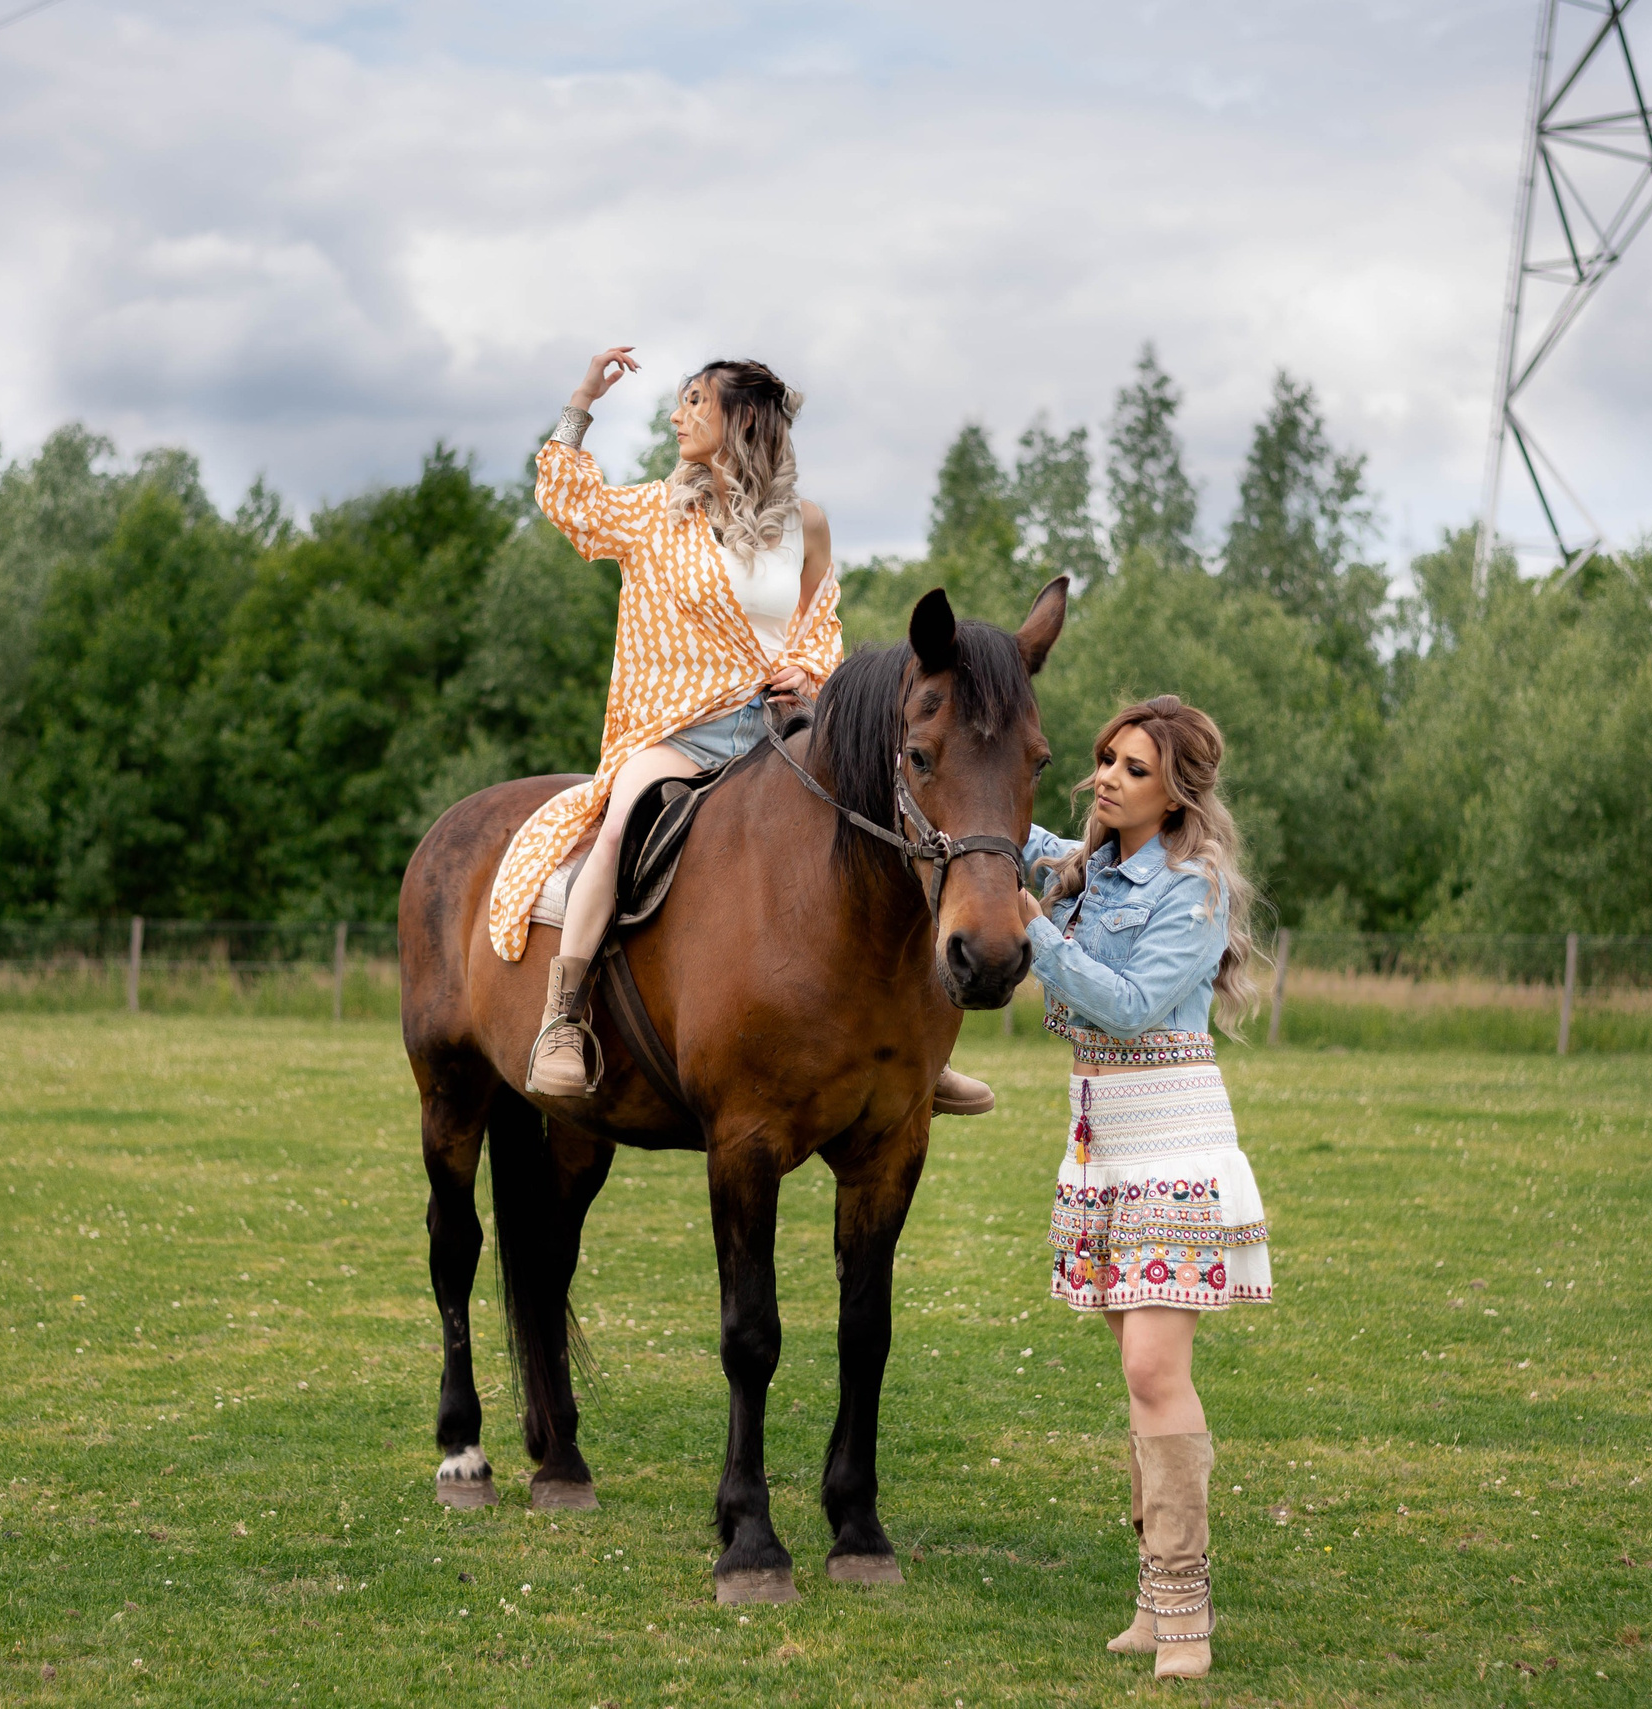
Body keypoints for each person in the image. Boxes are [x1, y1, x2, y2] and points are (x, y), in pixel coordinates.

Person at [499, 346, 995, 1117]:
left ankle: (916, 1046)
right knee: (619, 826)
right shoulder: (654, 514)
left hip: (780, 725)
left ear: (744, 420)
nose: (676, 416)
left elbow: (815, 620)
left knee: (882, 827)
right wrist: (580, 403)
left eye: (695, 402)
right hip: (676, 729)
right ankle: (562, 1021)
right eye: (679, 402)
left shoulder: (807, 524)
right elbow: (567, 499)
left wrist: (806, 670)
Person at [1016, 696, 1272, 1682]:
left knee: (1155, 1375)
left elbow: (1125, 1007)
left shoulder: (1192, 886)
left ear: (1176, 792)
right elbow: (989, 830)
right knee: (1139, 1377)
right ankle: (1149, 1598)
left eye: (1131, 768)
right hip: (1099, 1152)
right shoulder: (1089, 863)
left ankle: (1185, 1616)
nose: (1107, 779)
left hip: (1172, 1147)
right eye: (1104, 762)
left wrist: (1033, 927)